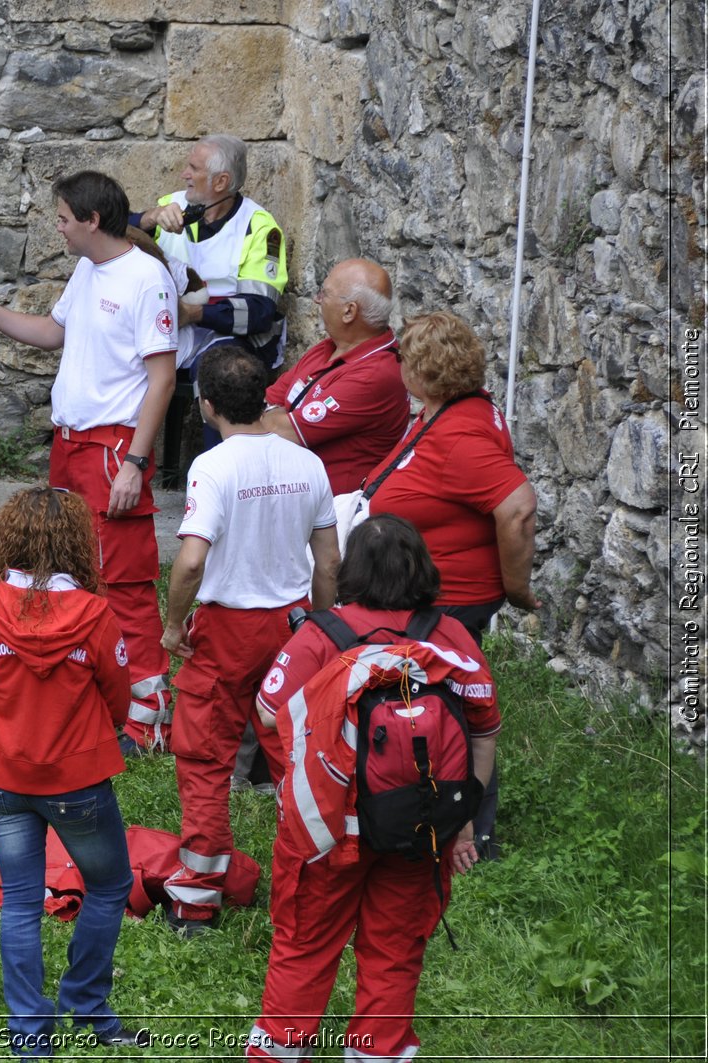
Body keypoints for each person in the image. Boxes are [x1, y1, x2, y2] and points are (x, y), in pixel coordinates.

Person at [0, 170, 181, 754]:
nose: (58, 227)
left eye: (64, 218)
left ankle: (148, 715)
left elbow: (163, 377)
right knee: (72, 568)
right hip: (71, 445)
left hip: (110, 450)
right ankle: (99, 687)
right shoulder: (89, 268)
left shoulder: (147, 279)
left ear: (92, 221)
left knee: (124, 580)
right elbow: (52, 332)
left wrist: (135, 461)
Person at [246, 514, 500, 1061]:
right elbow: (483, 732)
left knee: (304, 946)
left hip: (329, 833)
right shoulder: (450, 636)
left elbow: (267, 715)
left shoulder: (321, 635)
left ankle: (279, 1053)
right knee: (394, 952)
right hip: (420, 828)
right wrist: (456, 827)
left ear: (350, 570)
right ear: (422, 570)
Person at [159, 347, 338, 936]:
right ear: (265, 397)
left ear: (206, 405)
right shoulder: (307, 463)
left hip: (226, 628)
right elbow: (328, 561)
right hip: (292, 627)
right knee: (298, 754)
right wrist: (323, 625)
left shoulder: (213, 467)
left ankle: (197, 897)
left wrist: (172, 623)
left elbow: (190, 562)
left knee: (206, 759)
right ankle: (315, 880)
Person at [0, 486, 142, 1057]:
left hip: (1, 776)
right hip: (77, 782)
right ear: (78, 545)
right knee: (109, 886)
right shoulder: (95, 615)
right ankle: (86, 1008)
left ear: (7, 539)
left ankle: (29, 1036)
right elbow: (119, 701)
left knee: (19, 901)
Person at [366, 310, 539, 859]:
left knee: (449, 716)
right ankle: (432, 816)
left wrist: (516, 589)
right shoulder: (457, 410)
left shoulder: (462, 435)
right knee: (447, 709)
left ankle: (464, 832)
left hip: (451, 599)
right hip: (437, 592)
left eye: (402, 360)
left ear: (420, 373)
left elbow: (516, 508)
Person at [133, 134, 288, 465]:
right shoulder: (171, 205)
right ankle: (123, 463)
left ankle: (220, 475)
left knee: (222, 370)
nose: (184, 175)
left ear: (221, 181)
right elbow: (114, 233)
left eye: (193, 168)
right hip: (173, 328)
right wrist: (147, 219)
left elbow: (260, 311)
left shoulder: (260, 227)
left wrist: (195, 313)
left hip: (232, 336)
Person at [260, 259, 407, 495]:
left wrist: (277, 415)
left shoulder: (375, 375)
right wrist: (275, 414)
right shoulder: (329, 347)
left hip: (331, 514)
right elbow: (263, 400)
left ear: (349, 311)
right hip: (295, 495)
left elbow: (280, 430)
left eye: (324, 293)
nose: (317, 299)